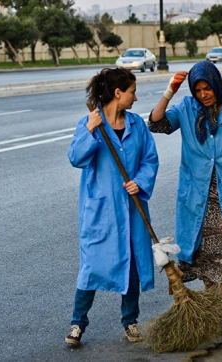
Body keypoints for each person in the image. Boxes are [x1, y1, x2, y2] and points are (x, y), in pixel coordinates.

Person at [147, 61, 222, 333]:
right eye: (198, 89)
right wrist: (170, 91)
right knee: (204, 257)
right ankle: (213, 308)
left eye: (208, 88)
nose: (204, 94)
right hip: (198, 196)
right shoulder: (188, 109)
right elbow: (156, 125)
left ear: (217, 84)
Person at [65, 68, 159, 347]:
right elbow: (76, 158)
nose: (136, 97)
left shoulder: (136, 125)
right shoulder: (90, 122)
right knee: (91, 267)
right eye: (132, 91)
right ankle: (77, 324)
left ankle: (130, 322)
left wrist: (139, 182)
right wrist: (90, 129)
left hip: (131, 206)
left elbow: (150, 159)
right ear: (118, 93)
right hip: (101, 210)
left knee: (131, 265)